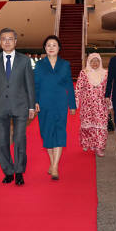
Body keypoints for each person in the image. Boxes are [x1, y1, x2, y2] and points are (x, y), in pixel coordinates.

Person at [0, 28, 35, 186]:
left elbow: (30, 85)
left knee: (19, 139)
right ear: (0, 42)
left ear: (15, 42)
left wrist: (31, 106)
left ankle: (19, 171)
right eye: (4, 39)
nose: (7, 41)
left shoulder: (24, 60)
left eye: (10, 39)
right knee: (1, 141)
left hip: (20, 105)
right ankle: (8, 171)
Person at [34, 35, 76, 180]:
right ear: (45, 48)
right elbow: (36, 85)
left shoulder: (65, 64)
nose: (51, 47)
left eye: (54, 45)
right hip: (44, 104)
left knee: (59, 133)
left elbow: (69, 84)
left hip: (60, 103)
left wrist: (72, 104)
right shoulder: (39, 65)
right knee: (47, 134)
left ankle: (55, 166)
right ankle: (52, 163)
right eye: (48, 45)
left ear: (59, 48)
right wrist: (35, 101)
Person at [75, 53, 109, 157]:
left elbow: (109, 89)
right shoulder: (84, 73)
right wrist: (75, 101)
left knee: (100, 126)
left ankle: (99, 147)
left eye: (97, 61)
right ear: (88, 62)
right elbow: (78, 88)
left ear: (100, 62)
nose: (95, 63)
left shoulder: (105, 73)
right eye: (92, 61)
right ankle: (87, 143)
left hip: (101, 105)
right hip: (87, 106)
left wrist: (110, 102)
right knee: (87, 126)